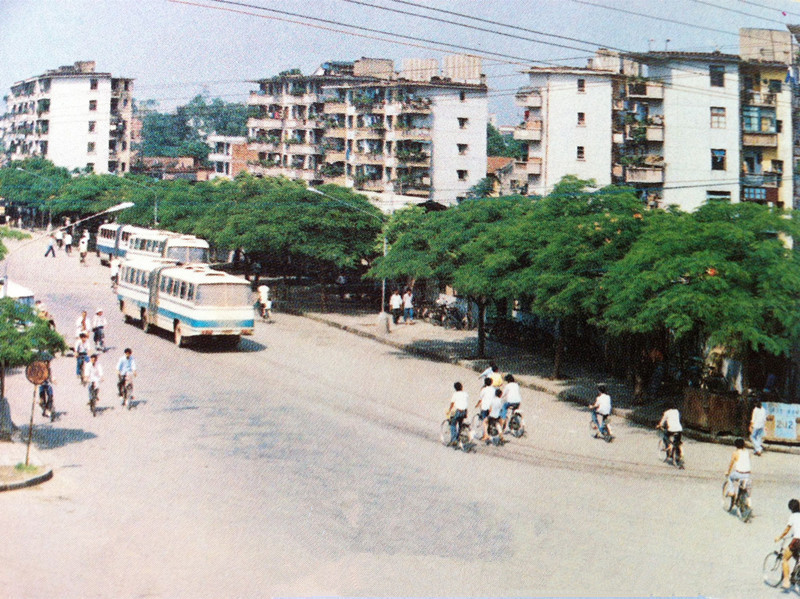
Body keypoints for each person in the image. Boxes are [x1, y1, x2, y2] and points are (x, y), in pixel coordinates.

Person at [775, 499, 800, 590]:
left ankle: (786, 581)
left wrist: (779, 537)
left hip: (797, 541)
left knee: (785, 558)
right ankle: (796, 574)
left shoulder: (793, 516)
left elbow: (786, 530)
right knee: (797, 556)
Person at [446, 382, 468, 448]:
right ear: (462, 387)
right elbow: (466, 403)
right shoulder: (465, 394)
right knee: (460, 424)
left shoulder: (455, 394)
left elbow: (452, 404)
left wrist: (449, 410)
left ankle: (453, 440)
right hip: (464, 411)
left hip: (458, 411)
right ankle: (458, 437)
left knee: (453, 424)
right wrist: (466, 413)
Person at [475, 377, 494, 441]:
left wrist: (477, 405)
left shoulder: (484, 390)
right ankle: (489, 432)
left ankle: (485, 435)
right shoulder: (493, 390)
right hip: (492, 406)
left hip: (485, 407)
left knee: (484, 422)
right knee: (489, 420)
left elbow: (480, 399)